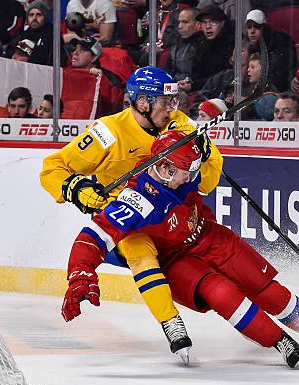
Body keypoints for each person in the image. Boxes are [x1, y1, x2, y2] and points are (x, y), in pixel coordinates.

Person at [62, 129, 299, 369]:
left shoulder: (178, 165)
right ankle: (280, 341)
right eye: (185, 172)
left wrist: (203, 144)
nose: (191, 178)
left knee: (266, 288)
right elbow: (93, 236)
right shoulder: (137, 200)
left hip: (210, 236)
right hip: (177, 260)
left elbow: (200, 162)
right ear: (163, 168)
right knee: (222, 294)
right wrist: (79, 272)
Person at [40, 66, 211, 360]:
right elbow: (52, 169)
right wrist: (78, 189)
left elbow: (207, 181)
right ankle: (171, 323)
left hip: (176, 214)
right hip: (131, 217)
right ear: (142, 102)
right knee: (139, 251)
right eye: (165, 102)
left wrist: (207, 154)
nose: (173, 108)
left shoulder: (178, 124)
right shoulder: (107, 133)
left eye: (174, 102)